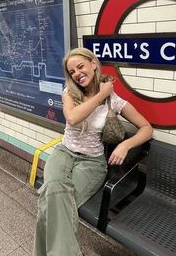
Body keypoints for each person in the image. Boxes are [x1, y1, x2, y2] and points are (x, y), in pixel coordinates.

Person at [33, 47, 153, 256]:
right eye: (72, 72)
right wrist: (101, 95)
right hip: (64, 153)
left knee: (52, 202)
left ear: (94, 64)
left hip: (92, 162)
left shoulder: (114, 101)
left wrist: (125, 145)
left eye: (80, 66)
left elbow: (147, 128)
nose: (77, 74)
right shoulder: (69, 93)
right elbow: (72, 118)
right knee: (54, 196)